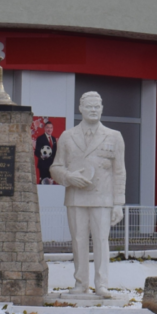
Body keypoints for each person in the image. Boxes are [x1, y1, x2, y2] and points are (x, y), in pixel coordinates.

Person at [49, 93, 125, 298]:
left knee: (101, 240)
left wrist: (118, 203)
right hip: (76, 196)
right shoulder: (67, 136)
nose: (93, 110)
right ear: (80, 109)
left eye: (97, 106)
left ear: (102, 108)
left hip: (102, 198)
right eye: (89, 106)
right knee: (78, 240)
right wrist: (68, 176)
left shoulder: (114, 136)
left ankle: (102, 284)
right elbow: (55, 167)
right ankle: (81, 283)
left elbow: (119, 172)